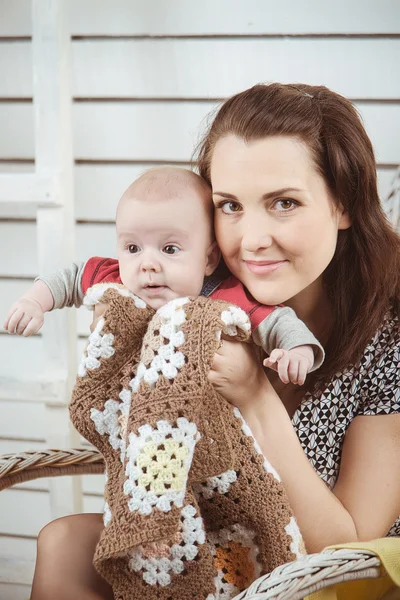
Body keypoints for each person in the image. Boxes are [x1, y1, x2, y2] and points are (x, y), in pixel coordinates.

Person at [10, 82, 400, 600]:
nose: (251, 239)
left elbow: (351, 552)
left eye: (283, 202)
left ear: (344, 205)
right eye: (230, 205)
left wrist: (256, 397)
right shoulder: (195, 312)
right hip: (227, 541)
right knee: (62, 541)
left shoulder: (386, 340)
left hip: (324, 579)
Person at [4, 166, 324, 385]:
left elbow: (277, 322)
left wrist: (297, 351)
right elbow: (71, 279)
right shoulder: (115, 279)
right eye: (132, 247)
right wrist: (35, 301)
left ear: (209, 259)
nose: (148, 264)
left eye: (169, 249)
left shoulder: (222, 298)